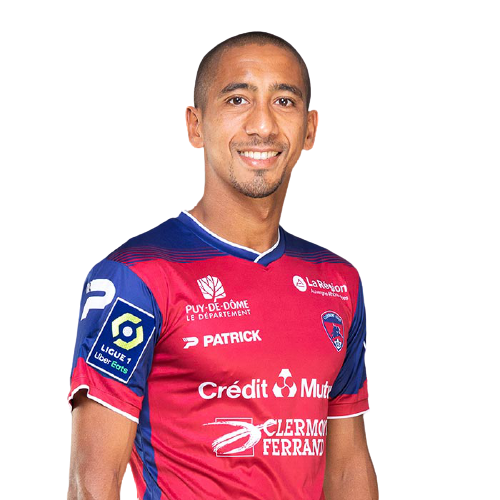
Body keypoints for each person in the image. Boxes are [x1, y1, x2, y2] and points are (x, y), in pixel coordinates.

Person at [67, 31, 378, 500]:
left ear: (310, 129)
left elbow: (347, 468)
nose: (263, 125)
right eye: (237, 99)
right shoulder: (135, 277)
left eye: (284, 101)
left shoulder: (339, 281)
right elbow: (91, 483)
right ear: (195, 126)